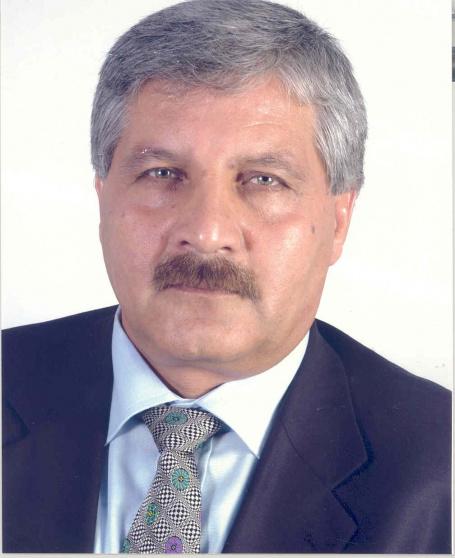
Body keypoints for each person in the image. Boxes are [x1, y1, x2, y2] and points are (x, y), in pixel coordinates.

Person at [2, 0, 450, 554]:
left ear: (338, 221)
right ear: (103, 199)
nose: (207, 232)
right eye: (162, 173)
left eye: (263, 179)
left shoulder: (439, 466)